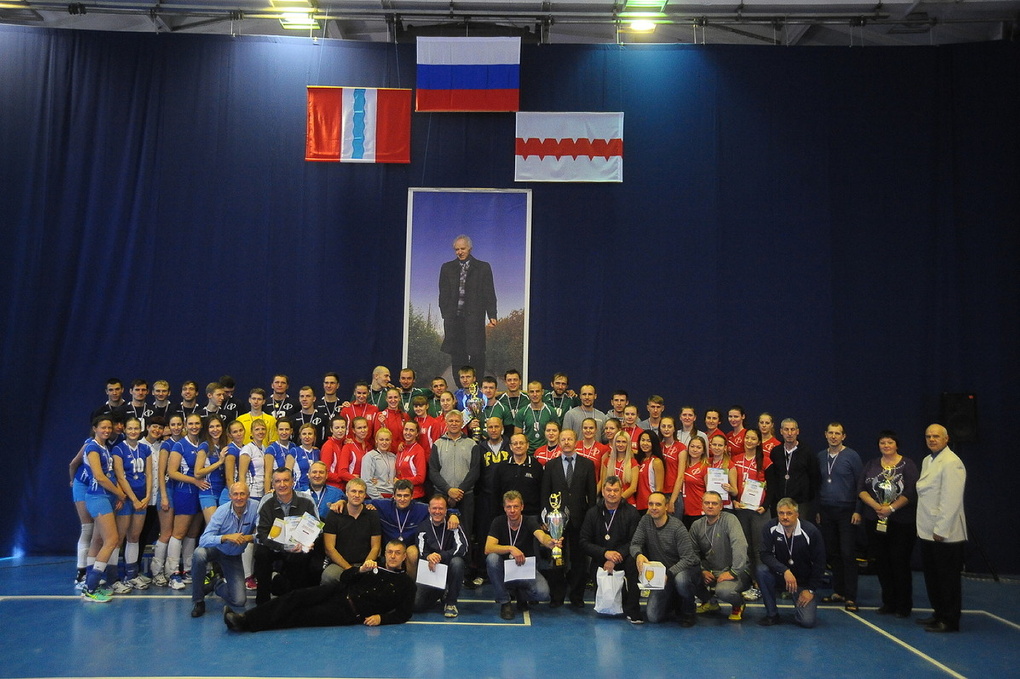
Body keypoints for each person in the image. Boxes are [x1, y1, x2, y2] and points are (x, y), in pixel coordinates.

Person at [224, 539, 415, 631]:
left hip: (348, 612)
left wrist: (382, 618)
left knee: (299, 616)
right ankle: (244, 618)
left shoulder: (406, 584)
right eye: (390, 552)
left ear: (404, 557)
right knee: (295, 597)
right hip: (336, 591)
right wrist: (360, 570)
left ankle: (247, 624)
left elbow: (404, 613)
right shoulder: (373, 567)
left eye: (397, 553)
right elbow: (345, 578)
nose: (393, 556)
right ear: (385, 553)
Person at [857, 430, 918, 618]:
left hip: (901, 522)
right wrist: (877, 506)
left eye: (890, 442)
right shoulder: (871, 464)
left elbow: (911, 491)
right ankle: (888, 602)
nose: (886, 446)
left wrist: (891, 508)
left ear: (896, 445)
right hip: (875, 520)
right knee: (882, 562)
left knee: (899, 562)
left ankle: (903, 605)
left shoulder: (908, 465)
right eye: (882, 443)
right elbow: (861, 489)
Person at [915, 424, 967, 633]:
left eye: (936, 436)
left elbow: (951, 499)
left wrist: (941, 529)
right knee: (933, 576)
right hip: (926, 528)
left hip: (945, 533)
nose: (932, 439)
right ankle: (938, 613)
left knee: (947, 578)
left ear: (946, 439)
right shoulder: (927, 460)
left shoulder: (952, 462)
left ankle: (950, 619)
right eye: (928, 436)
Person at [540, 428, 597, 607]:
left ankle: (577, 596)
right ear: (559, 442)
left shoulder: (587, 465)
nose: (566, 442)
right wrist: (546, 519)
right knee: (557, 558)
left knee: (579, 560)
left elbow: (592, 495)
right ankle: (557, 596)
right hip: (557, 522)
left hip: (581, 520)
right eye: (563, 439)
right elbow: (545, 493)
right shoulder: (551, 465)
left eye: (569, 439)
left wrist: (591, 520)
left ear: (575, 441)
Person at [485, 490, 558, 620]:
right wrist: (510, 548)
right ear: (504, 508)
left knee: (543, 593)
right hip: (505, 571)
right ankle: (505, 602)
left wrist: (549, 542)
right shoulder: (498, 522)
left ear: (522, 507)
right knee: (492, 559)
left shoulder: (529, 521)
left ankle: (520, 595)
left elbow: (542, 536)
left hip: (525, 569)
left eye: (516, 506)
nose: (512, 510)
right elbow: (488, 548)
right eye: (509, 507)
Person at [579, 475, 643, 622]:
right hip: (601, 558)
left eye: (615, 490)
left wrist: (616, 556)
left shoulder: (631, 513)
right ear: (603, 491)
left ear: (621, 491)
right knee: (606, 600)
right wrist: (604, 553)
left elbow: (635, 541)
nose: (612, 494)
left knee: (633, 564)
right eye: (608, 490)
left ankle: (633, 609)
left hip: (624, 557)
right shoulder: (593, 513)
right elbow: (583, 541)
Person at [630, 492, 700, 626]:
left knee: (681, 581)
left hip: (682, 570)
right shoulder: (645, 521)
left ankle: (689, 610)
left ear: (666, 507)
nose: (654, 508)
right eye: (651, 504)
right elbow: (635, 544)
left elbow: (688, 559)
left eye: (658, 504)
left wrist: (669, 574)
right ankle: (673, 599)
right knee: (653, 617)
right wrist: (638, 555)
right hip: (661, 575)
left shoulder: (677, 527)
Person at [189, 482, 258, 618]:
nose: (239, 497)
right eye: (235, 494)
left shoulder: (256, 508)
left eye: (242, 494)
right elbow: (203, 540)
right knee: (199, 553)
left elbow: (263, 535)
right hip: (216, 548)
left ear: (248, 495)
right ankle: (198, 601)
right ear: (230, 496)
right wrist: (225, 537)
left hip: (233, 556)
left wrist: (249, 537)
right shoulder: (222, 511)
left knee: (239, 601)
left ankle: (216, 584)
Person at [79, 416, 128, 602]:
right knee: (112, 540)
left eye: (109, 427)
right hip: (97, 497)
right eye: (103, 428)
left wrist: (116, 495)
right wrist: (119, 493)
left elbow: (110, 474)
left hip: (106, 497)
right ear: (95, 428)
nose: (107, 430)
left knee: (98, 540)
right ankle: (91, 588)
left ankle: (89, 584)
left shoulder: (104, 447)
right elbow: (99, 477)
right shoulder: (92, 447)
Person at [757, 497, 826, 628]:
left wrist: (811, 590)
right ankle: (772, 615)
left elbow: (820, 562)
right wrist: (784, 570)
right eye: (781, 513)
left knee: (807, 622)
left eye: (789, 513)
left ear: (797, 514)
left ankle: (801, 603)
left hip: (802, 581)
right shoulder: (770, 527)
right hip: (780, 576)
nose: (785, 517)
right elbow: (765, 554)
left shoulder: (811, 531)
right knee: (762, 571)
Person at [816, 422, 863, 612]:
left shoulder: (852, 456)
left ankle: (850, 596)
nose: (834, 436)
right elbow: (818, 484)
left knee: (847, 553)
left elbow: (861, 484)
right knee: (833, 553)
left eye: (837, 433)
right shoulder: (821, 456)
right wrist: (818, 510)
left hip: (847, 511)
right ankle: (838, 591)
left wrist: (858, 509)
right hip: (826, 510)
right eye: (831, 433)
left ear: (843, 436)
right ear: (825, 434)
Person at [253, 467, 318, 604]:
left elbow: (316, 527)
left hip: (298, 546)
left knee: (302, 557)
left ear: (293, 482)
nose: (282, 485)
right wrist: (283, 547)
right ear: (273, 484)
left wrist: (308, 541)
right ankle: (263, 602)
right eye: (278, 481)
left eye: (286, 480)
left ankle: (294, 600)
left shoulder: (307, 500)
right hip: (273, 546)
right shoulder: (266, 501)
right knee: (261, 553)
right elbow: (261, 534)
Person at [438, 234, 498, 378]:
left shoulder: (483, 267)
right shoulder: (447, 268)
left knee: (477, 353)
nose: (460, 252)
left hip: (474, 319)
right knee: (457, 355)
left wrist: (492, 315)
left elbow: (489, 293)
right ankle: (460, 386)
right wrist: (446, 314)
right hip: (454, 320)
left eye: (462, 249)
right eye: (457, 249)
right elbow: (443, 294)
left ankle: (477, 386)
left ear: (470, 248)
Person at [689, 491, 750, 621]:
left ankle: (738, 604)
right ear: (702, 505)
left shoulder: (730, 520)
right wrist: (702, 570)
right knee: (686, 578)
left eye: (714, 503)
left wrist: (733, 572)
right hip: (710, 571)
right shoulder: (696, 526)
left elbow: (740, 545)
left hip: (734, 571)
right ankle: (710, 602)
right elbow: (692, 552)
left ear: (721, 506)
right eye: (707, 503)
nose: (710, 506)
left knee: (723, 591)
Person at [166, 413, 210, 589]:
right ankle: (173, 573)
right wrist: (194, 481)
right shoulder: (180, 445)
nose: (194, 427)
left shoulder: (203, 443)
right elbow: (172, 472)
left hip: (201, 492)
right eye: (191, 423)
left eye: (197, 423)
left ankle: (188, 569)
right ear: (185, 425)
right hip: (185, 492)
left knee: (192, 533)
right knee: (179, 533)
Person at [112, 417, 152, 591]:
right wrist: (134, 499)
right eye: (130, 428)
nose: (133, 431)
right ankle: (113, 577)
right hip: (127, 499)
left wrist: (147, 496)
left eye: (136, 428)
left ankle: (131, 575)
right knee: (119, 538)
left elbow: (149, 474)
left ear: (141, 429)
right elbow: (120, 477)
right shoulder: (118, 449)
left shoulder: (145, 449)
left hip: (142, 499)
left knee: (134, 537)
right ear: (125, 430)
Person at [414, 494, 470, 617]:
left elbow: (462, 548)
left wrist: (441, 556)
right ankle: (440, 592)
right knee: (417, 605)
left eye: (441, 508)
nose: (437, 511)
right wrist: (428, 557)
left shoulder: (454, 524)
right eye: (434, 508)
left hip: (450, 565)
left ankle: (451, 602)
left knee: (458, 562)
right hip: (431, 568)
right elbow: (421, 551)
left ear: (446, 510)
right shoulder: (422, 527)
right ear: (429, 509)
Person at [430, 410, 482, 540]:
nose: (454, 423)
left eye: (457, 421)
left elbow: (475, 471)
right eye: (451, 421)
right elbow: (433, 471)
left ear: (462, 423)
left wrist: (459, 492)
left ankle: (466, 554)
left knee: (465, 534)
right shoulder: (437, 444)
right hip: (442, 496)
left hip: (466, 496)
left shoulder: (472, 444)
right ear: (446, 423)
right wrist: (448, 490)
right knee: (442, 534)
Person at [321, 478, 382, 584]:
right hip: (340, 565)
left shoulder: (372, 514)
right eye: (353, 491)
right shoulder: (334, 514)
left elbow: (376, 547)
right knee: (329, 576)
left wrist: (365, 567)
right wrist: (351, 570)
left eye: (361, 492)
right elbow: (329, 549)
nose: (357, 495)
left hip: (366, 563)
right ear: (347, 493)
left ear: (365, 495)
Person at [764, 418, 819, 518]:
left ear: (797, 431)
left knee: (799, 527)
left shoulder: (807, 452)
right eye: (786, 429)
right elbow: (772, 477)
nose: (789, 433)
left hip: (800, 503)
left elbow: (814, 477)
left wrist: (807, 497)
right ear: (781, 431)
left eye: (792, 429)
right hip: (779, 501)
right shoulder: (776, 452)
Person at [493, 433, 544, 515]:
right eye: (515, 443)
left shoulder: (536, 466)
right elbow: (496, 493)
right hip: (508, 514)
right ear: (510, 447)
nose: (518, 446)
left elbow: (542, 492)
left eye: (521, 443)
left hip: (531, 514)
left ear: (527, 445)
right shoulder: (502, 467)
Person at [514, 381, 557, 453]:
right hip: (527, 452)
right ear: (528, 393)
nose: (535, 394)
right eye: (532, 392)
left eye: (537, 391)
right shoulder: (522, 412)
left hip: (546, 452)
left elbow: (556, 434)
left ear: (542, 392)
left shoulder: (551, 411)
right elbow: (517, 436)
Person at [678, 436, 709, 528]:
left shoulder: (705, 467)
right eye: (692, 446)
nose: (695, 450)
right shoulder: (683, 465)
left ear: (703, 451)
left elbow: (709, 491)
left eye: (698, 447)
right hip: (684, 510)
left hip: (698, 510)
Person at [634, 430, 665, 512]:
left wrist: (652, 507)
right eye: (643, 440)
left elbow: (659, 488)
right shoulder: (640, 460)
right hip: (638, 505)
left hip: (649, 506)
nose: (645, 443)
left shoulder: (656, 462)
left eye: (648, 441)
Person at [362, 427, 397, 499]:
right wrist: (380, 499)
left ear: (391, 441)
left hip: (392, 497)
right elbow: (366, 482)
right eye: (381, 439)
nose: (384, 443)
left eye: (387, 440)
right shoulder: (370, 456)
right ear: (376, 440)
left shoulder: (393, 457)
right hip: (376, 496)